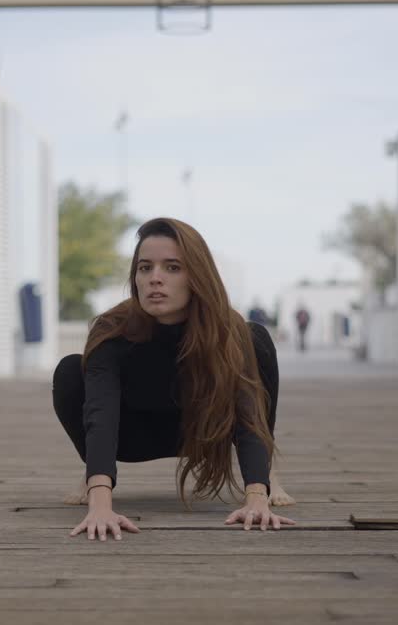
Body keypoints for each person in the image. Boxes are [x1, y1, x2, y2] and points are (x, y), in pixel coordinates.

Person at [52, 217, 296, 542]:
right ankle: (95, 474)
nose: (155, 279)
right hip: (133, 437)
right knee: (69, 371)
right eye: (144, 268)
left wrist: (256, 498)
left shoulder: (227, 331)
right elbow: (100, 411)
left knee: (257, 339)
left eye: (172, 268)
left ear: (196, 276)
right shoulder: (112, 329)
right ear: (135, 277)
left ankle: (264, 470)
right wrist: (100, 503)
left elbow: (247, 410)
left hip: (207, 431)